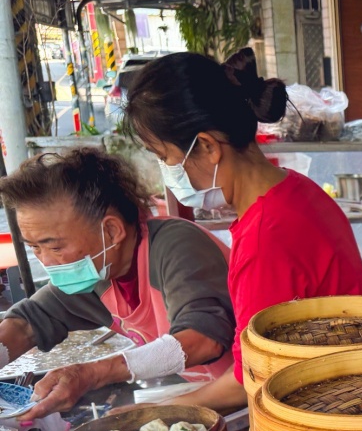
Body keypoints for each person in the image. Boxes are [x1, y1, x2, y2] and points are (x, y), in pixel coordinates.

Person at [123, 49, 362, 412]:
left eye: (165, 158)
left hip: (334, 413)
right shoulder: (295, 189)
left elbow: (250, 382)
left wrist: (156, 412)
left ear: (207, 146)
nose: (167, 171)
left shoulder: (265, 238)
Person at [0, 148, 235, 416]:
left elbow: (204, 338)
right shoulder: (95, 273)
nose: (47, 261)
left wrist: (94, 373)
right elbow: (25, 324)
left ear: (111, 231)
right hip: (204, 393)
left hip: (248, 393)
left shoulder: (177, 246)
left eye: (55, 247)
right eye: (35, 248)